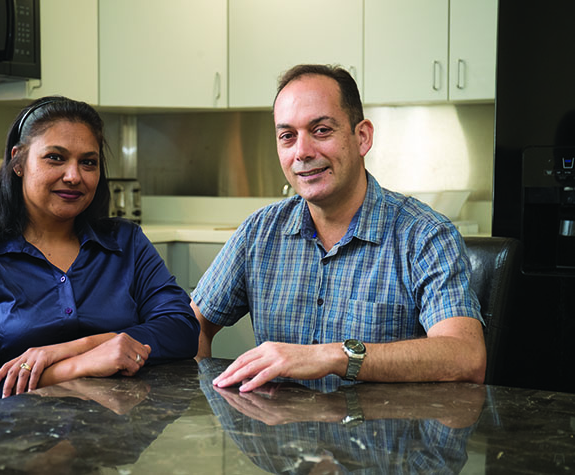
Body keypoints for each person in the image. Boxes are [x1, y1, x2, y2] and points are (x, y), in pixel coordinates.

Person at [191, 64, 486, 392]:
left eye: (321, 131)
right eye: (288, 136)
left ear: (362, 137)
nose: (302, 152)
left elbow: (466, 356)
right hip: (278, 438)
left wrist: (336, 356)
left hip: (383, 438)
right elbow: (191, 327)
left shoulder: (425, 236)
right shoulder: (258, 233)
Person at [0, 96, 199, 410]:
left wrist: (77, 347)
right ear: (18, 162)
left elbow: (182, 329)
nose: (74, 176)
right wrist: (77, 366)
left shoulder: (126, 241)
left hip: (117, 436)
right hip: (19, 445)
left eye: (88, 162)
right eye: (55, 158)